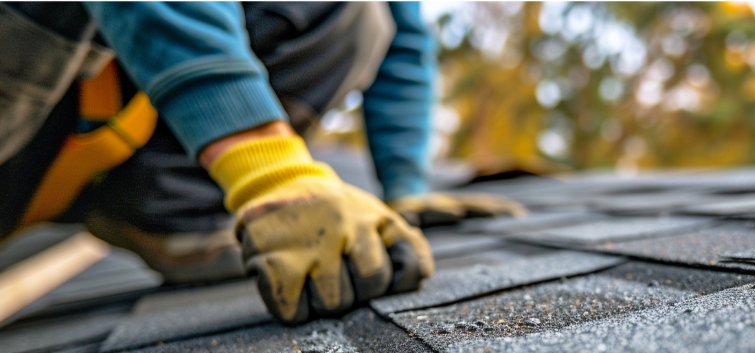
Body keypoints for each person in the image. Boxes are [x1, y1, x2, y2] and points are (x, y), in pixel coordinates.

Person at [0, 0, 524, 323]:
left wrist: (405, 183)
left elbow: (401, 35)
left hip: (74, 134)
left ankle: (166, 209)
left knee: (354, 10)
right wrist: (266, 167)